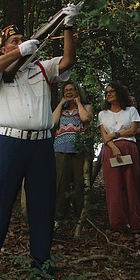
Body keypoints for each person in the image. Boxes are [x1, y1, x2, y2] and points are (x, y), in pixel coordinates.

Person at [0, 4, 79, 277]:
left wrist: (67, 26)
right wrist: (19, 53)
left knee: (43, 204)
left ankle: (41, 260)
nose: (21, 43)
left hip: (42, 144)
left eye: (23, 40)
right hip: (10, 144)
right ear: (4, 48)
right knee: (1, 203)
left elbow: (68, 61)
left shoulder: (42, 68)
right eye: (14, 41)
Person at [98, 82, 140, 234]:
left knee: (131, 185)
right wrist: (115, 147)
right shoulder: (102, 114)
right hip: (111, 149)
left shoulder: (131, 110)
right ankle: (117, 225)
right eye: (107, 92)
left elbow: (133, 130)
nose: (108, 94)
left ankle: (135, 223)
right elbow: (104, 136)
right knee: (113, 187)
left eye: (112, 91)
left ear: (120, 93)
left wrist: (116, 134)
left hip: (129, 147)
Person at [52, 82, 94, 219]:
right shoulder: (61, 109)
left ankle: (80, 216)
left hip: (79, 150)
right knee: (60, 183)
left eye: (71, 90)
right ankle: (59, 216)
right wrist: (61, 103)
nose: (68, 92)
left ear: (77, 91)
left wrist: (78, 103)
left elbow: (86, 118)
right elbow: (52, 122)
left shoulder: (86, 107)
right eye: (65, 91)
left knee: (79, 183)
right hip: (60, 149)